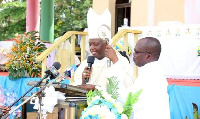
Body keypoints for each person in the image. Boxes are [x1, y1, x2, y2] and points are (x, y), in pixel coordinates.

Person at [72, 8, 134, 91]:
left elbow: (128, 86)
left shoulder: (120, 61)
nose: (92, 48)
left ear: (106, 44)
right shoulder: (86, 63)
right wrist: (82, 82)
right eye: (90, 44)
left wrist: (96, 89)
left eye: (96, 44)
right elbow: (75, 86)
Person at [127, 37, 170, 119]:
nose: (133, 55)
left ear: (148, 56)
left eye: (136, 52)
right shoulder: (153, 71)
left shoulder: (150, 75)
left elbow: (128, 98)